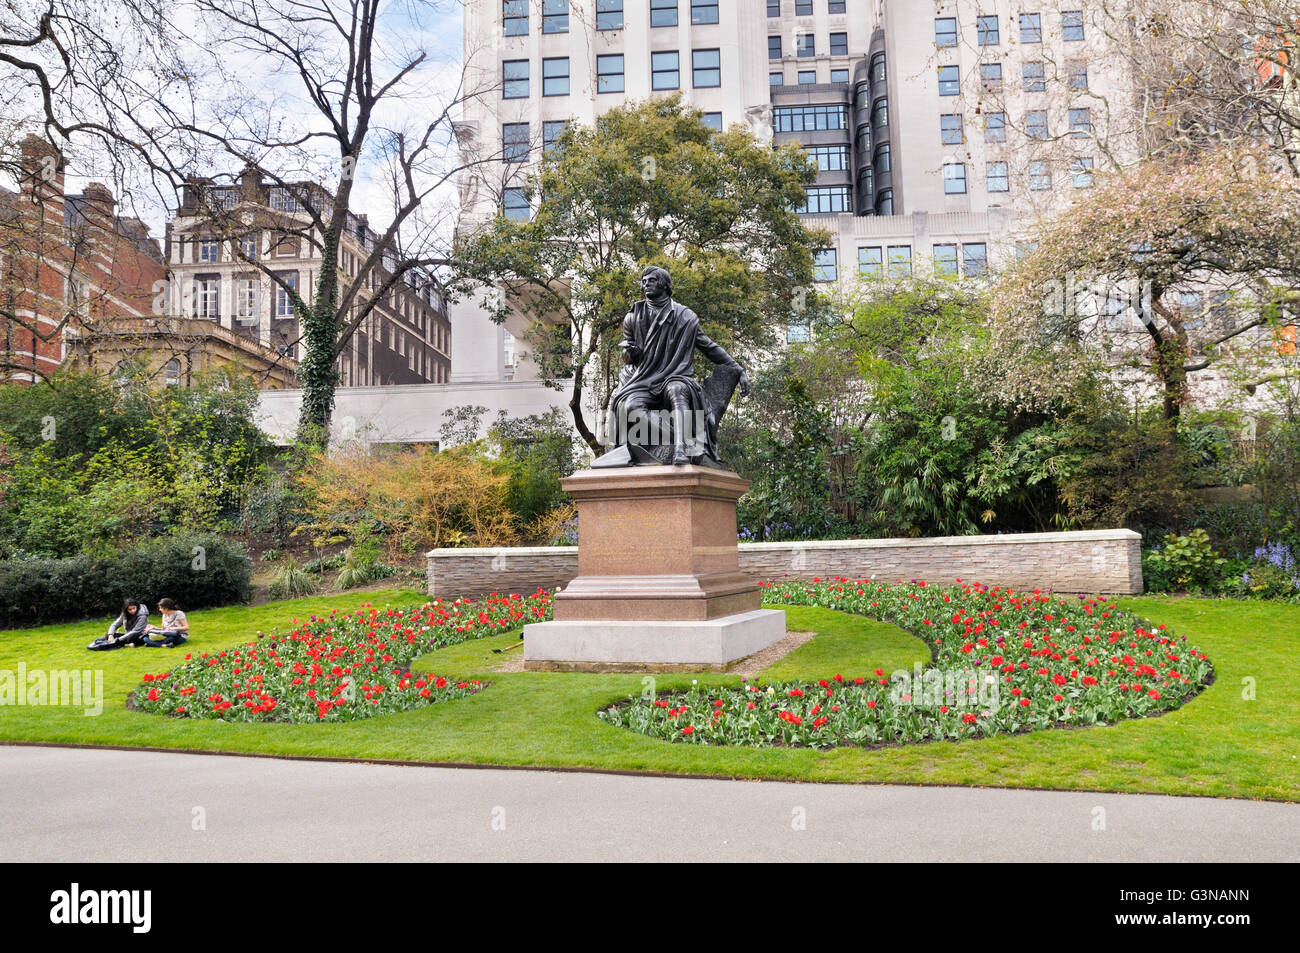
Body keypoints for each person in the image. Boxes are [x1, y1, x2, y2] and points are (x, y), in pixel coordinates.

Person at [602, 266, 750, 467]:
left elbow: (708, 346)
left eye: (651, 280)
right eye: (643, 281)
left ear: (664, 283)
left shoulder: (685, 316)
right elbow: (629, 357)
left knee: (677, 389)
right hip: (644, 379)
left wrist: (737, 368)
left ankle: (680, 449)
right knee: (630, 406)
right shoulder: (633, 316)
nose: (646, 284)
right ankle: (684, 439)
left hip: (676, 375)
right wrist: (630, 353)